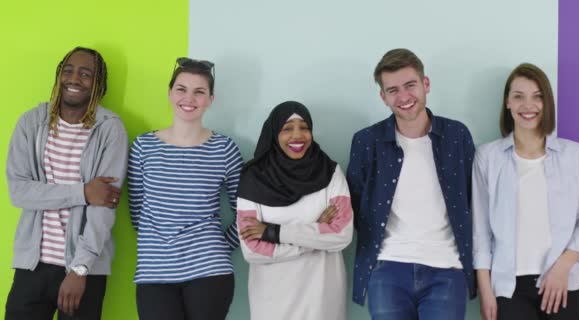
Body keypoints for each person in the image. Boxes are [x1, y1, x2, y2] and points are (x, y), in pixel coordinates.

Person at [347, 48, 476, 319]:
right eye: (393, 90)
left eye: (410, 85)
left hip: (447, 268)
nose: (404, 97)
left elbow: (471, 199)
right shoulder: (367, 142)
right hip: (387, 268)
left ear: (425, 84)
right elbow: (355, 205)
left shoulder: (456, 135)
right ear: (383, 97)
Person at [5, 47, 128, 320]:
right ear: (59, 74)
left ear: (100, 85)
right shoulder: (31, 123)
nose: (74, 79)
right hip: (32, 265)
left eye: (86, 74)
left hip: (84, 270)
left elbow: (104, 207)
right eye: (68, 70)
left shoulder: (110, 129)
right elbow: (20, 191)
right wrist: (83, 192)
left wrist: (79, 269)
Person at [473, 63, 579, 320]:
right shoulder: (488, 157)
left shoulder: (575, 156)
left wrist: (562, 267)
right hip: (508, 288)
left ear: (547, 102)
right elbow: (480, 231)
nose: (527, 105)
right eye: (518, 96)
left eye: (536, 96)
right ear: (507, 102)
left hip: (563, 284)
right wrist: (486, 291)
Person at [127, 57, 242, 320]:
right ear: (170, 93)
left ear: (210, 99)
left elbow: (246, 212)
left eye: (199, 91)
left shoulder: (224, 149)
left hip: (210, 272)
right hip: (154, 271)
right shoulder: (144, 147)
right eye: (181, 89)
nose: (189, 98)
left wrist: (220, 248)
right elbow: (137, 212)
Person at [237, 101, 353, 320]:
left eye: (304, 127)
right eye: (287, 128)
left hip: (322, 299)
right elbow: (252, 250)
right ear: (274, 133)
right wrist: (315, 235)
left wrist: (274, 232)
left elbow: (341, 235)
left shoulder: (330, 172)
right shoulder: (253, 178)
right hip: (272, 300)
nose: (298, 135)